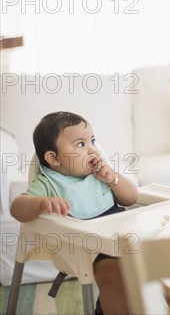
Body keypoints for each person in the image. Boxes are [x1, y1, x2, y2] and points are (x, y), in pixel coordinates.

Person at [10, 111, 138, 315]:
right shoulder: (47, 183)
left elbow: (131, 198)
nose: (92, 150)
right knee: (112, 274)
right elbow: (17, 208)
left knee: (161, 261)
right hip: (87, 246)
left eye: (93, 141)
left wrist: (113, 179)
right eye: (81, 144)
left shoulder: (100, 174)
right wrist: (42, 203)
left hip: (125, 236)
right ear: (53, 158)